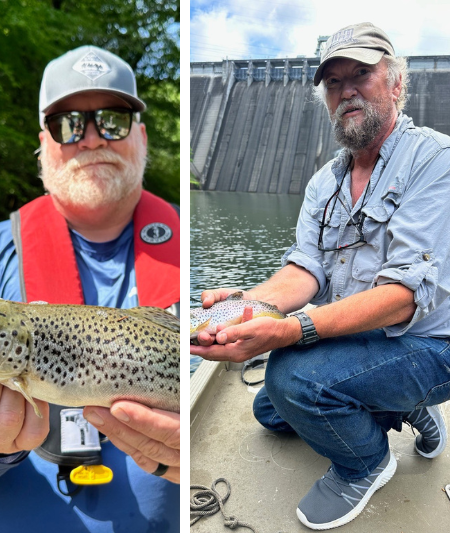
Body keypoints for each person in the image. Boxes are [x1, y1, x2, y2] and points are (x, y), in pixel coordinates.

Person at [191, 22, 450, 530]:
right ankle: (400, 404)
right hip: (367, 336)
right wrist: (247, 301)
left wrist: (292, 329)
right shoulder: (323, 182)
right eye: (333, 82)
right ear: (325, 99)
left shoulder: (436, 161)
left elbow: (401, 298)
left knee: (291, 375)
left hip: (432, 342)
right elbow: (303, 270)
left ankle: (366, 464)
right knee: (273, 410)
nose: (347, 89)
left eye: (361, 73)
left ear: (396, 82)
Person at [0, 45, 180, 532]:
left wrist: (201, 449)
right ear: (44, 142)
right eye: (68, 124)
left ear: (141, 136)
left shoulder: (193, 253)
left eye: (113, 120)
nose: (90, 139)